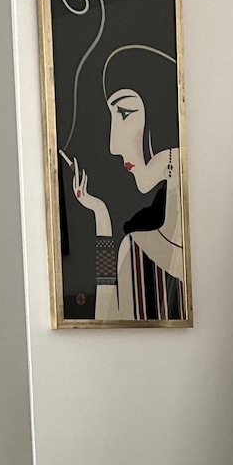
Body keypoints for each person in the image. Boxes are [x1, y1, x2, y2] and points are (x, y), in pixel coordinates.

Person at [66, 45, 187, 321]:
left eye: (123, 114)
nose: (113, 145)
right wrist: (101, 216)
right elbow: (104, 319)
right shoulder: (134, 250)